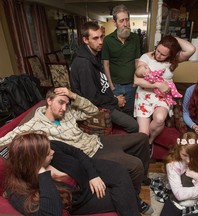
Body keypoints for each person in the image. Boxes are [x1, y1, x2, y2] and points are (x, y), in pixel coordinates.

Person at [0, 87, 153, 214]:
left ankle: (137, 190)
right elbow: (7, 140)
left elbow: (93, 110)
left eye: (67, 103)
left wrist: (73, 96)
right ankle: (134, 197)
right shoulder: (34, 128)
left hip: (94, 141)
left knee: (141, 138)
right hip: (89, 154)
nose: (64, 108)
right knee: (134, 166)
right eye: (61, 102)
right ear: (49, 101)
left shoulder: (65, 114)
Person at [5, 131, 140, 215]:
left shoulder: (51, 147)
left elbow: (77, 152)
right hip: (83, 201)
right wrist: (42, 173)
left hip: (86, 176)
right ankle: (136, 203)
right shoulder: (17, 191)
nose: (52, 152)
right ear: (35, 161)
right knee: (126, 196)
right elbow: (51, 213)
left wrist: (93, 175)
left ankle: (136, 201)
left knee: (121, 171)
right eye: (47, 153)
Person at [70, 21, 138, 133]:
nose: (101, 42)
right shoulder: (84, 64)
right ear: (85, 40)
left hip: (106, 100)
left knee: (131, 111)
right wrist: (115, 101)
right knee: (134, 125)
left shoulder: (94, 54)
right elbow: (91, 98)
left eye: (102, 37)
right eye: (95, 38)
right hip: (98, 108)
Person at [134, 35, 195, 147]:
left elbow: (191, 49)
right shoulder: (146, 57)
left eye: (163, 54)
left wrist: (173, 38)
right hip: (144, 95)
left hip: (162, 97)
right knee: (143, 134)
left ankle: (150, 142)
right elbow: (136, 80)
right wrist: (158, 84)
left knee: (160, 118)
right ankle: (146, 141)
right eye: (157, 50)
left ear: (170, 55)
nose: (158, 55)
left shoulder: (173, 60)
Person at [102, 4, 141, 116]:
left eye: (127, 20)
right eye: (121, 21)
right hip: (115, 85)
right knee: (116, 114)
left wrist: (135, 81)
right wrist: (111, 85)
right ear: (115, 23)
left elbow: (137, 61)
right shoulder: (108, 40)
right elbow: (106, 64)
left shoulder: (135, 38)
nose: (125, 24)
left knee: (130, 113)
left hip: (131, 85)